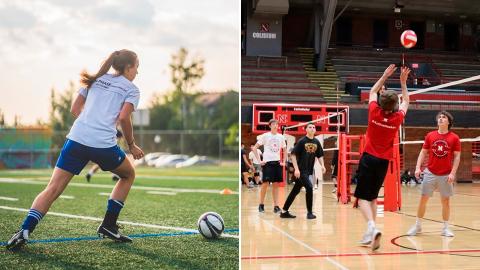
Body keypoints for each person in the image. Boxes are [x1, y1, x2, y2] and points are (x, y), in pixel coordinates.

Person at [6, 49, 144, 250]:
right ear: (129, 67)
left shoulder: (95, 79)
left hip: (76, 139)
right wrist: (131, 145)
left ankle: (24, 231)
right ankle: (108, 225)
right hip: (102, 145)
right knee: (128, 174)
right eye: (137, 67)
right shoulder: (132, 88)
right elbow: (124, 118)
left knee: (52, 189)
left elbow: (74, 109)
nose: (137, 72)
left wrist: (90, 123)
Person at [355, 64, 410, 251]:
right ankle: (371, 235)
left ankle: (371, 226)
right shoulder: (397, 119)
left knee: (362, 198)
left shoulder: (374, 112)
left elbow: (372, 91)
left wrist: (385, 75)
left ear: (381, 103)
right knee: (372, 198)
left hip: (369, 157)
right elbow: (406, 102)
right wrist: (403, 83)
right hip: (383, 162)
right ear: (394, 105)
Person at [407, 111, 461, 237]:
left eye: (444, 117)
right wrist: (417, 168)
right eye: (439, 117)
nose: (441, 119)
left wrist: (453, 173)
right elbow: (423, 152)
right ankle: (418, 226)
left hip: (446, 174)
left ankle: (446, 228)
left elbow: (457, 157)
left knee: (445, 201)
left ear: (449, 122)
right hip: (430, 172)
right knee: (423, 200)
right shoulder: (430, 135)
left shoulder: (454, 138)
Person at [280, 123, 325, 219]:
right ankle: (309, 213)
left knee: (295, 191)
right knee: (309, 187)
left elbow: (320, 155)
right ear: (306, 129)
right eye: (310, 127)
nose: (312, 128)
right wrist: (296, 169)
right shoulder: (301, 141)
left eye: (314, 127)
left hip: (308, 170)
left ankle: (284, 211)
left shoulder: (317, 142)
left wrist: (323, 166)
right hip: (301, 170)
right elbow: (293, 155)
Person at [253, 119, 286, 214]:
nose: (276, 126)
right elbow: (255, 148)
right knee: (265, 184)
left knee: (276, 185)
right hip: (268, 163)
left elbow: (285, 149)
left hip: (277, 163)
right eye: (273, 124)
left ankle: (276, 206)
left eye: (277, 124)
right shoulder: (265, 136)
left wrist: (283, 161)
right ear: (270, 126)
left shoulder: (281, 137)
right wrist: (260, 161)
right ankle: (261, 205)